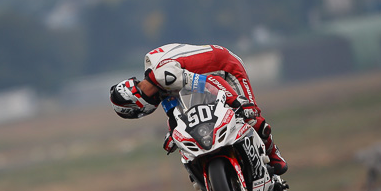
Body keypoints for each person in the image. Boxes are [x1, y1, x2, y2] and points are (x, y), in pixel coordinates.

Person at [109, 43, 288, 175]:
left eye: (137, 114)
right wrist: (173, 135)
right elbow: (174, 115)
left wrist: (237, 102)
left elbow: (210, 83)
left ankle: (274, 154)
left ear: (137, 105)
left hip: (226, 68)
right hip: (207, 76)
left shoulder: (164, 77)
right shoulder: (158, 86)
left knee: (251, 116)